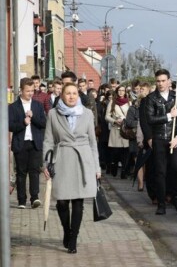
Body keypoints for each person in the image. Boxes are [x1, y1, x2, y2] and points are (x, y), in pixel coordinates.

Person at [42, 82, 101, 253]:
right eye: (68, 93)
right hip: (62, 158)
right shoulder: (53, 114)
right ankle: (66, 231)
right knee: (61, 201)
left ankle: (73, 238)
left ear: (78, 95)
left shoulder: (87, 113)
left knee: (78, 201)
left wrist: (97, 167)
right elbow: (48, 141)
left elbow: (92, 142)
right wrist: (46, 164)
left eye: (74, 93)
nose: (71, 96)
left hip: (83, 160)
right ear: (62, 95)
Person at [145, 69, 177, 215]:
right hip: (159, 139)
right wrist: (169, 115)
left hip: (174, 139)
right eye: (158, 81)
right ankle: (161, 202)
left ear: (169, 81)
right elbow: (150, 119)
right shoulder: (151, 99)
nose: (161, 83)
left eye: (163, 80)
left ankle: (175, 196)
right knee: (160, 172)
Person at [9, 77, 47, 209]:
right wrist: (23, 123)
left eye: (32, 90)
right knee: (21, 172)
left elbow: (43, 123)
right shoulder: (13, 107)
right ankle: (21, 200)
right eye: (27, 91)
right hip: (20, 143)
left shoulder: (37, 105)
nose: (30, 93)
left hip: (35, 142)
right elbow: (10, 126)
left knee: (34, 171)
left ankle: (35, 198)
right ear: (21, 90)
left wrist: (33, 117)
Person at [105, 85, 131, 178]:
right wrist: (114, 121)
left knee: (125, 151)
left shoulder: (129, 102)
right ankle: (114, 166)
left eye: (123, 90)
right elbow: (107, 116)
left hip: (125, 130)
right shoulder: (112, 102)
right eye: (119, 90)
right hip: (115, 129)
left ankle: (124, 171)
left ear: (125, 92)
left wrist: (127, 121)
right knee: (115, 151)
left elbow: (132, 115)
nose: (121, 92)